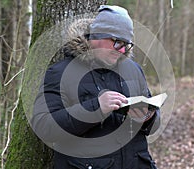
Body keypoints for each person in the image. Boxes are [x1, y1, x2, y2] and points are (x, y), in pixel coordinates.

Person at [31, 5, 160, 169]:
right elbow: (44, 127)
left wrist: (148, 118)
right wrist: (96, 108)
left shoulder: (133, 69)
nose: (121, 50)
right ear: (96, 37)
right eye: (117, 42)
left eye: (126, 44)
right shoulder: (60, 73)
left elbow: (154, 122)